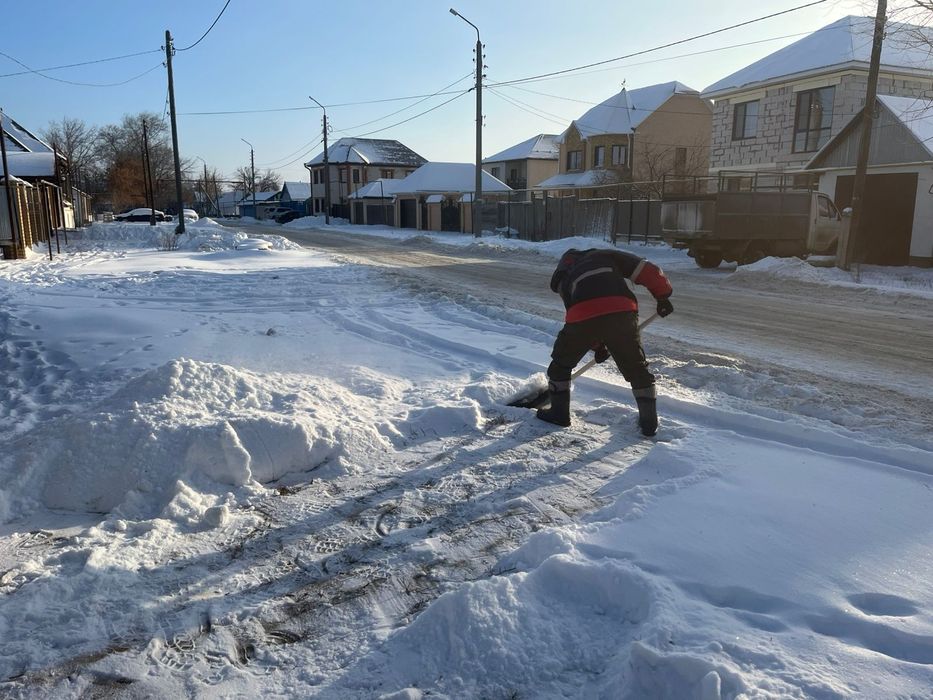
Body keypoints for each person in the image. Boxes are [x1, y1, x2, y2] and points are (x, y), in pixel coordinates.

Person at [537, 247, 673, 435]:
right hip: (622, 311)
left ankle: (559, 414)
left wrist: (598, 345)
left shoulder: (565, 278)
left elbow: (579, 320)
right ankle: (649, 424)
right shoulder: (606, 256)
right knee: (636, 368)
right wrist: (663, 296)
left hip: (583, 314)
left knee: (561, 364)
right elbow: (646, 270)